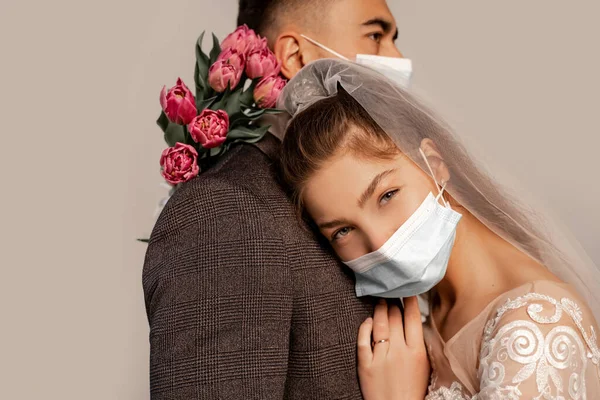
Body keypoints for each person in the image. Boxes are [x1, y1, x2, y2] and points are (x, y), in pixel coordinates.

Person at [278, 59, 600, 399]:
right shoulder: (428, 314)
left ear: (434, 163)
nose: (380, 243)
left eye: (387, 195)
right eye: (342, 231)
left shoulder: (535, 325)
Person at [143, 1, 406, 398]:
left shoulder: (368, 196)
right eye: (375, 35)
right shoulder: (223, 216)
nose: (399, 59)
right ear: (296, 55)